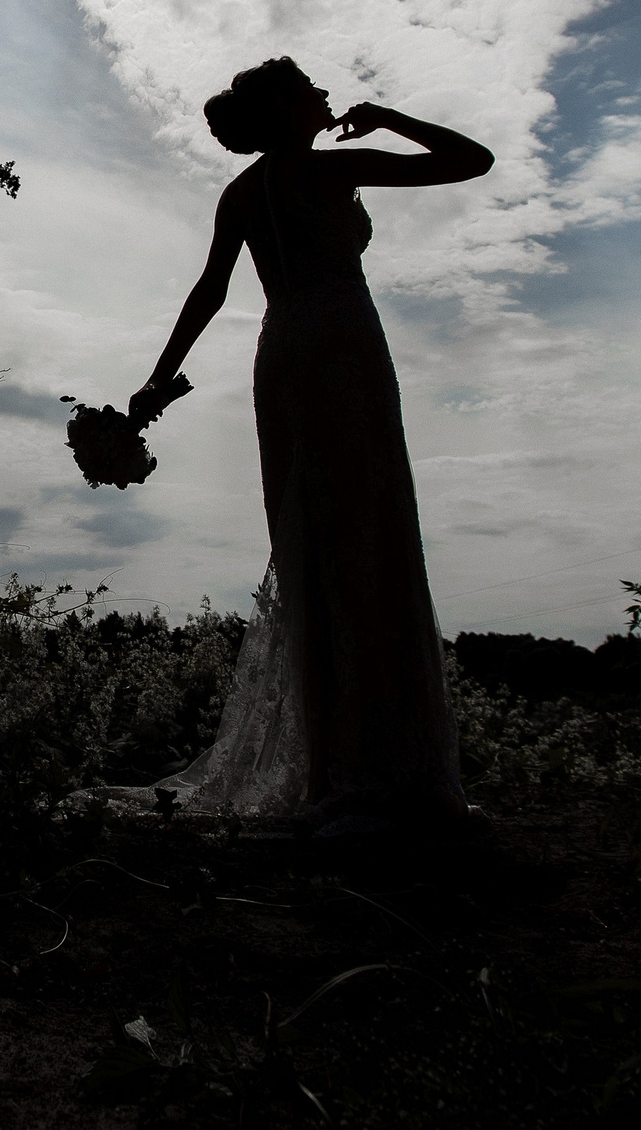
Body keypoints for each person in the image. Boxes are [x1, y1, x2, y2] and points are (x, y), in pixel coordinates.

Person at [130, 57, 492, 834]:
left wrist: (158, 381)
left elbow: (210, 290)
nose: (330, 97)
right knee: (369, 533)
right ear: (292, 110)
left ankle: (338, 759)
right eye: (315, 90)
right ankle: (386, 764)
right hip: (344, 344)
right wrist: (389, 116)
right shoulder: (336, 167)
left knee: (315, 542)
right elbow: (473, 161)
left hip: (284, 349)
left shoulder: (241, 193)